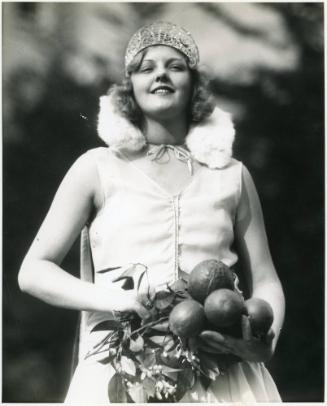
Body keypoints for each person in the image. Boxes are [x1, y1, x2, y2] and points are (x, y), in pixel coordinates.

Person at [18, 21, 285, 404]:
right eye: (147, 67)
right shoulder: (97, 167)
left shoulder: (231, 175)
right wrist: (115, 299)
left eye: (175, 66)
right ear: (130, 86)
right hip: (119, 370)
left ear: (194, 84)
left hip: (222, 374)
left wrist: (263, 340)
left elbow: (267, 279)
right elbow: (33, 271)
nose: (160, 73)